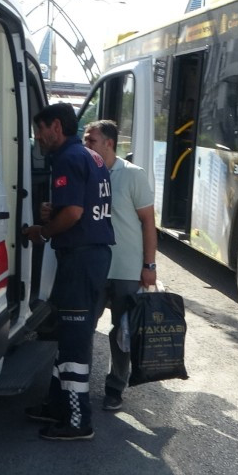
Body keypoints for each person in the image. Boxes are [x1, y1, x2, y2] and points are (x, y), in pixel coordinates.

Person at [22, 104, 114, 441]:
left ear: (55, 127)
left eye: (40, 131)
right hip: (90, 258)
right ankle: (58, 405)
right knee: (67, 335)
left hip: (80, 259)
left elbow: (74, 213)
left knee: (74, 341)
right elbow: (83, 206)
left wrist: (43, 231)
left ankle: (78, 421)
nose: (38, 138)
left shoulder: (68, 159)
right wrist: (55, 212)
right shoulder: (92, 157)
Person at [82, 120, 157, 412]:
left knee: (122, 332)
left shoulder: (132, 175)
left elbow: (149, 223)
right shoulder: (86, 172)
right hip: (95, 266)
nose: (86, 145)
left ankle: (115, 387)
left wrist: (149, 264)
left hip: (127, 267)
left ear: (109, 143)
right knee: (85, 326)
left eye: (91, 141)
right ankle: (79, 385)